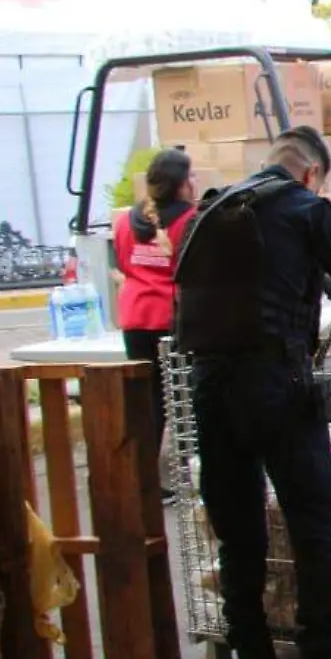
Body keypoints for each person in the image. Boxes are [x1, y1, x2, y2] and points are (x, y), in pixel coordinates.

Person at [173, 126, 331, 659]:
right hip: (275, 385)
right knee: (313, 528)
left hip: (207, 387)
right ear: (310, 175)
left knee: (238, 532)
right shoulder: (307, 210)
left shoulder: (209, 212)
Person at [114, 147, 196, 498]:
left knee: (146, 400)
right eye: (190, 177)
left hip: (134, 317)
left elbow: (122, 262)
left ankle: (144, 478)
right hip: (170, 317)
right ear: (181, 185)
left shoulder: (125, 222)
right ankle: (185, 474)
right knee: (180, 396)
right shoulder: (189, 221)